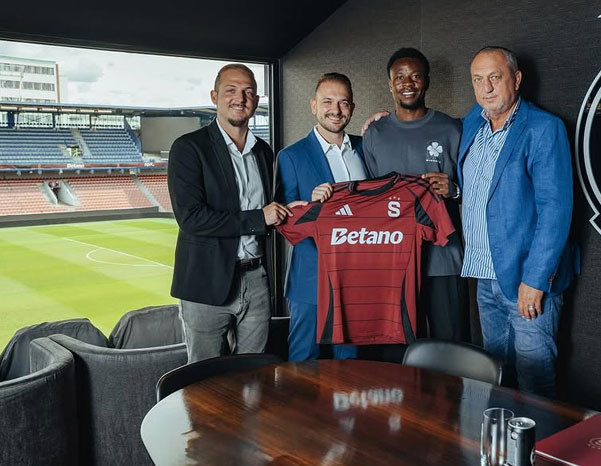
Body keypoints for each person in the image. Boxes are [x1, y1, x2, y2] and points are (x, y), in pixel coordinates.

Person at [458, 47, 575, 397]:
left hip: (526, 277)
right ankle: (500, 436)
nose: (486, 88)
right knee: (496, 375)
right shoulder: (472, 122)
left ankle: (538, 437)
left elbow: (555, 209)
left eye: (495, 77)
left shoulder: (543, 128)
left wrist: (536, 279)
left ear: (517, 79)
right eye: (478, 79)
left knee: (535, 380)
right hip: (484, 274)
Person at [168, 63, 301, 363]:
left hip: (256, 280)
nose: (240, 98)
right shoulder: (189, 148)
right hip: (205, 283)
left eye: (248, 92)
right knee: (205, 378)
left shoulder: (263, 151)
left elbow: (272, 210)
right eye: (231, 90)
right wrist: (259, 218)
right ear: (214, 96)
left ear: (255, 100)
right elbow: (191, 218)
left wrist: (297, 208)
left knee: (253, 375)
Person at [362, 47, 469, 342]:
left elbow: (478, 188)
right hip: (394, 261)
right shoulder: (375, 133)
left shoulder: (452, 129)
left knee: (451, 346)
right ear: (390, 84)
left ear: (427, 81)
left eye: (415, 76)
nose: (407, 83)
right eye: (399, 77)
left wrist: (454, 190)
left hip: (443, 257)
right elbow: (368, 196)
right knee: (401, 348)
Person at [276, 72, 366, 361]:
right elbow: (285, 221)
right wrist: (310, 206)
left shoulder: (366, 148)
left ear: (352, 108)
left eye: (343, 102)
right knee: (303, 361)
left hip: (356, 276)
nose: (335, 110)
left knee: (350, 362)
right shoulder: (291, 156)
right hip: (310, 276)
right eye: (327, 101)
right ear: (313, 105)